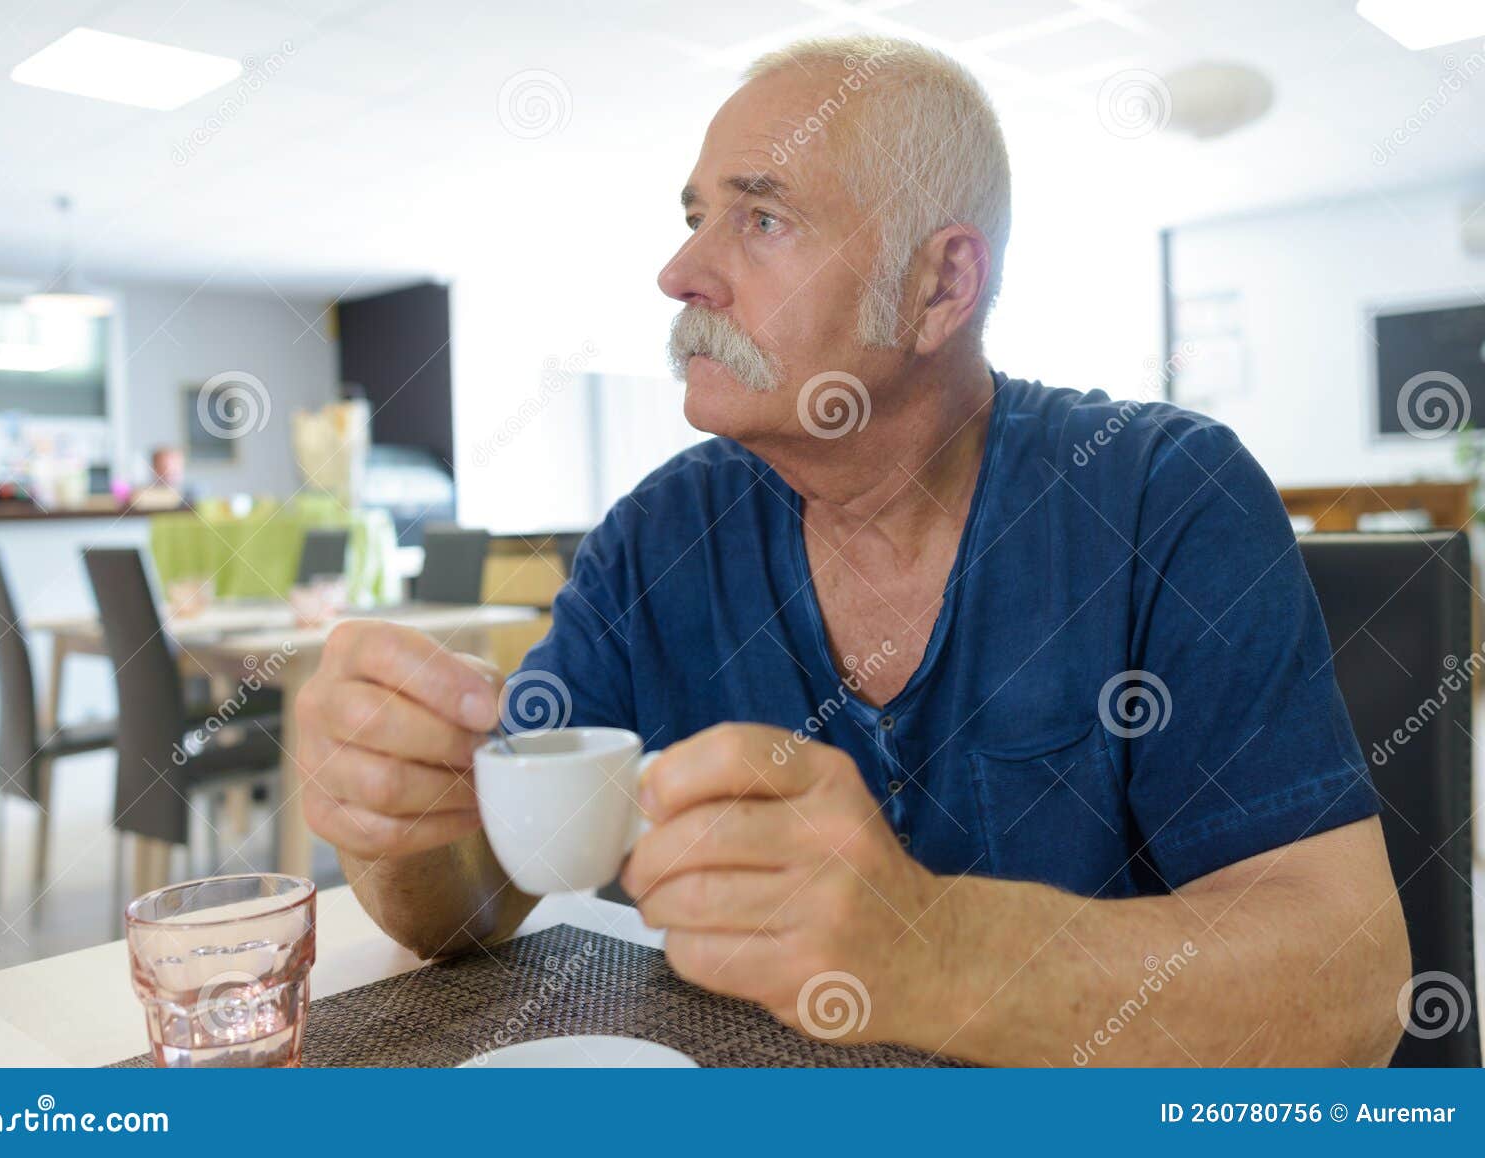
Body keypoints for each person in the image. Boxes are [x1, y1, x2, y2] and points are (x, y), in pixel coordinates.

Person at [295, 36, 1409, 1066]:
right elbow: (468, 908)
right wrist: (394, 821)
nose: (681, 271)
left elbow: (1348, 989)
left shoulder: (1160, 494)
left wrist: (924, 949)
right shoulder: (654, 541)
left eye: (761, 220)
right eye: (692, 216)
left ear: (939, 287)